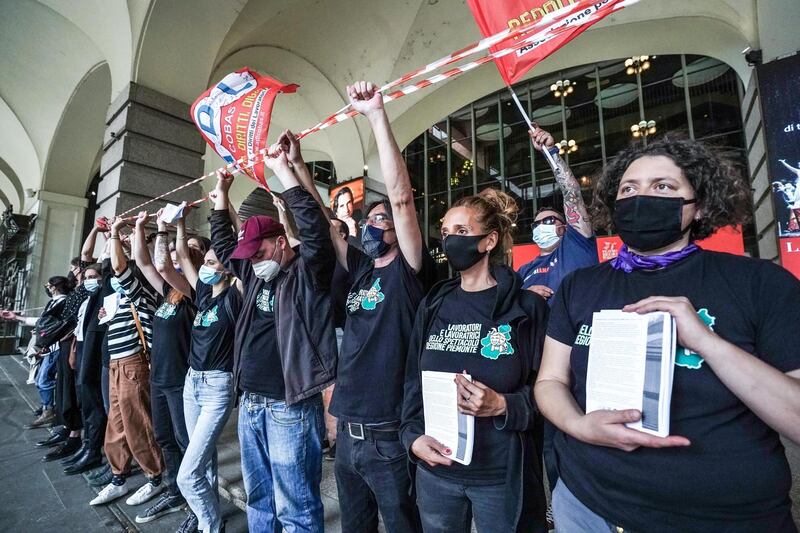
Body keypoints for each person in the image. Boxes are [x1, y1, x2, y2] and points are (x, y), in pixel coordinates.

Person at [534, 137, 800, 532]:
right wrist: (576, 425)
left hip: (723, 517)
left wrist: (707, 342)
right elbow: (551, 380)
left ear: (701, 206)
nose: (641, 197)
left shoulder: (758, 283)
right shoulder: (581, 286)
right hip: (586, 504)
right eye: (629, 188)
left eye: (663, 187)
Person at [400, 188, 549, 533]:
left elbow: (553, 389)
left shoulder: (527, 309)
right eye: (447, 232)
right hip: (436, 473)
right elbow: (412, 383)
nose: (451, 240)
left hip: (500, 477)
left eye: (462, 232)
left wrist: (503, 405)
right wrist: (411, 436)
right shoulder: (434, 304)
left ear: (489, 240)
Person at [210, 133, 336, 532]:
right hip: (251, 404)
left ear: (281, 242)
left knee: (296, 505)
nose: (255, 262)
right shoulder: (254, 273)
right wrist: (221, 194)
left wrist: (284, 170)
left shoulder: (307, 274)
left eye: (261, 252)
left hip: (290, 407)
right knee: (260, 500)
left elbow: (316, 231)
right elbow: (225, 243)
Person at [329, 81, 435, 533]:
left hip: (388, 433)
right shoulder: (361, 272)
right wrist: (290, 167)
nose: (374, 225)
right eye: (368, 220)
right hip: (347, 432)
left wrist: (376, 115)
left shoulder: (409, 271)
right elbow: (325, 226)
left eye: (381, 219)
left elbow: (403, 198)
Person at [174, 206, 243, 533]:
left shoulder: (234, 297)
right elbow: (183, 258)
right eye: (206, 262)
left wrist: (227, 207)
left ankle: (209, 525)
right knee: (203, 459)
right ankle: (212, 511)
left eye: (212, 262)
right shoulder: (203, 295)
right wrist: (180, 223)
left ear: (227, 270)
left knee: (187, 473)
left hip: (218, 386)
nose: (204, 267)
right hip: (192, 383)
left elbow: (242, 251)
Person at [128, 210, 199, 524]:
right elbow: (144, 263)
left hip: (182, 381)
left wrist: (163, 228)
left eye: (177, 260)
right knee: (166, 439)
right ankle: (175, 492)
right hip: (159, 378)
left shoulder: (196, 294)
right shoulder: (168, 295)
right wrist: (140, 228)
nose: (169, 261)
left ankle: (197, 504)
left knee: (188, 444)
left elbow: (160, 265)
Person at [90, 216, 164, 508]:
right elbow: (112, 265)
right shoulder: (117, 297)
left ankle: (155, 476)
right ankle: (118, 476)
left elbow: (121, 267)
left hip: (134, 364)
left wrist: (119, 231)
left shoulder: (140, 292)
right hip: (116, 365)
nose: (113, 278)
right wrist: (113, 238)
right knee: (117, 424)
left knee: (138, 424)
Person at [517, 127, 597, 302]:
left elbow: (571, 193)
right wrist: (526, 297)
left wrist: (551, 152)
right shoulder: (523, 271)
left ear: (565, 226)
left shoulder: (577, 244)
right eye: (536, 224)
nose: (541, 226)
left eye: (548, 220)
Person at [2, 276, 74, 430]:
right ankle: (47, 406)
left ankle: (50, 409)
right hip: (50, 346)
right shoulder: (53, 302)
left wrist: (19, 319)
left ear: (54, 287)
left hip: (55, 347)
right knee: (42, 378)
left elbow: (47, 324)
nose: (47, 288)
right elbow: (43, 322)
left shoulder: (62, 302)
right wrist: (17, 317)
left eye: (48, 285)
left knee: (44, 380)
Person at [63, 263, 106, 475]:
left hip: (93, 355)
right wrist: (73, 349)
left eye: (93, 276)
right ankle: (87, 444)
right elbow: (78, 327)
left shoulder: (103, 298)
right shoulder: (86, 300)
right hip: (81, 349)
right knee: (84, 402)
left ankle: (93, 449)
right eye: (86, 277)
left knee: (93, 403)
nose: (88, 280)